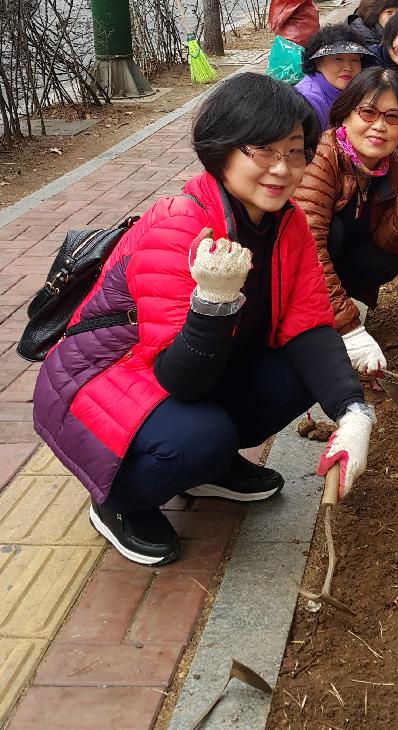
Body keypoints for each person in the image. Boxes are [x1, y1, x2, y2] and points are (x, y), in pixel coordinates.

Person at [32, 74, 374, 567]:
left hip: (184, 371)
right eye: (263, 150)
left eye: (295, 151)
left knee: (305, 373)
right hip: (106, 376)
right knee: (199, 438)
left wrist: (352, 412)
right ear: (222, 150)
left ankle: (207, 470)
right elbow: (181, 378)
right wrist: (213, 300)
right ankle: (120, 500)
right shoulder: (182, 225)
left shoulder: (287, 222)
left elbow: (309, 324)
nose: (282, 168)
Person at [294, 69, 398, 361]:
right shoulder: (323, 157)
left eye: (393, 117)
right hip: (296, 271)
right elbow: (307, 249)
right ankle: (314, 318)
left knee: (383, 261)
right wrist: (349, 327)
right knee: (332, 233)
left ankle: (338, 308)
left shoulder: (390, 166)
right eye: (368, 112)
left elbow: (387, 243)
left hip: (334, 264)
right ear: (346, 114)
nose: (380, 126)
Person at [295, 22, 375, 131]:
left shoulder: (356, 90)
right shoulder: (308, 100)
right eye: (338, 59)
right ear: (318, 63)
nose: (348, 67)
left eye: (355, 60)